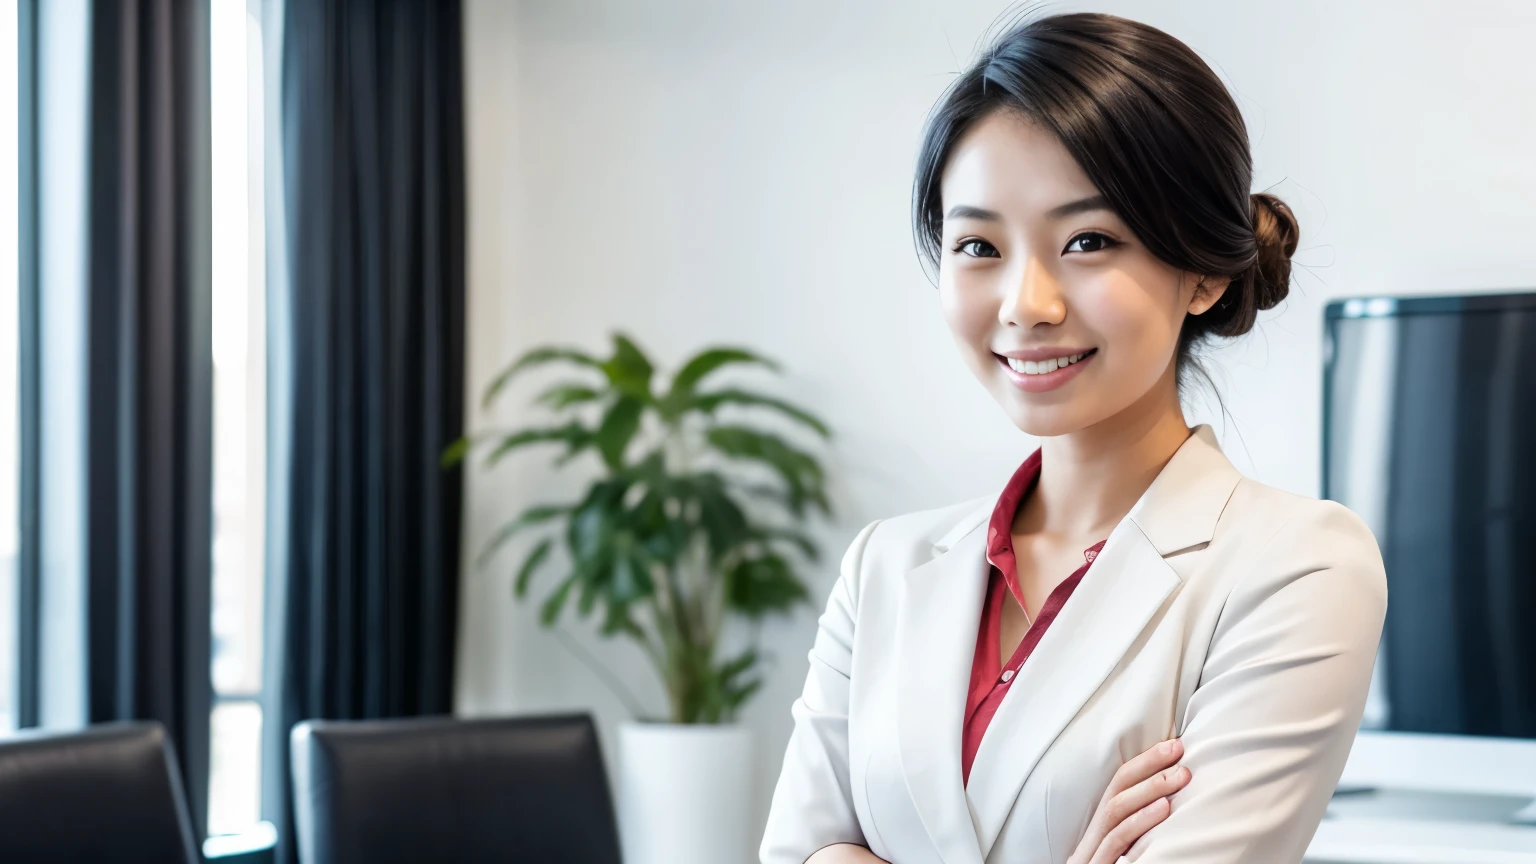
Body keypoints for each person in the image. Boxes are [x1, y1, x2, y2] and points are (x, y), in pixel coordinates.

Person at [760, 11, 1387, 864]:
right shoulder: (885, 568)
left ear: (1201, 270)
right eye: (978, 244)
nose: (1027, 302)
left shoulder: (1298, 566)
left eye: (1088, 241)